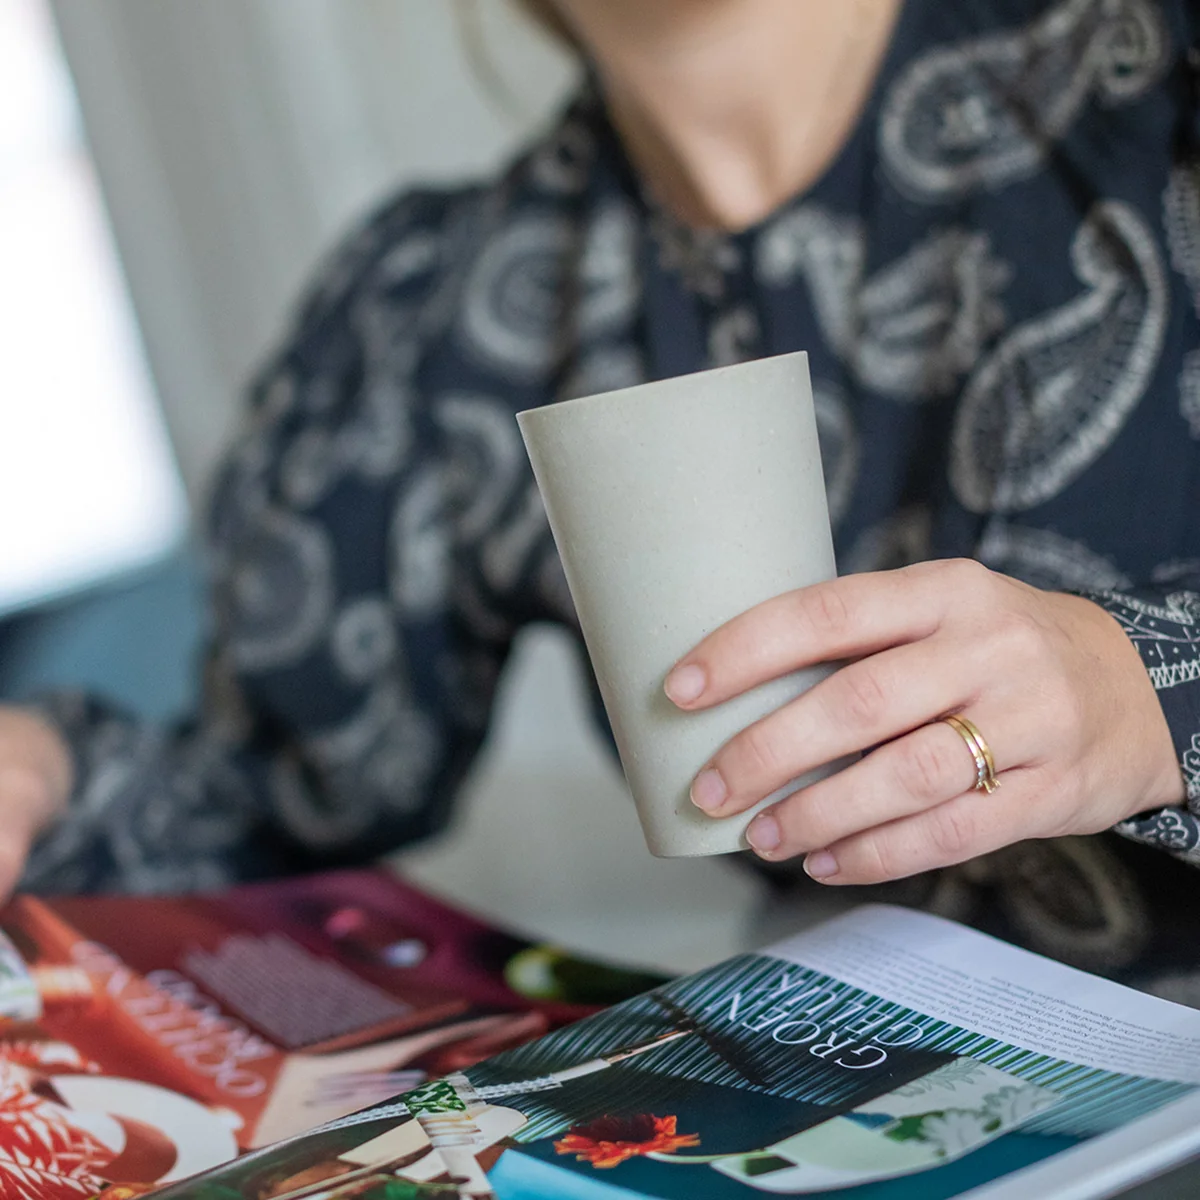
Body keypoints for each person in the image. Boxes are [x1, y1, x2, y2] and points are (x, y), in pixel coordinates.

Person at [1, 0, 1199, 992]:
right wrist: (45, 769)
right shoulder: (440, 317)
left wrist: (1146, 693)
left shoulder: (1155, 81)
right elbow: (271, 800)